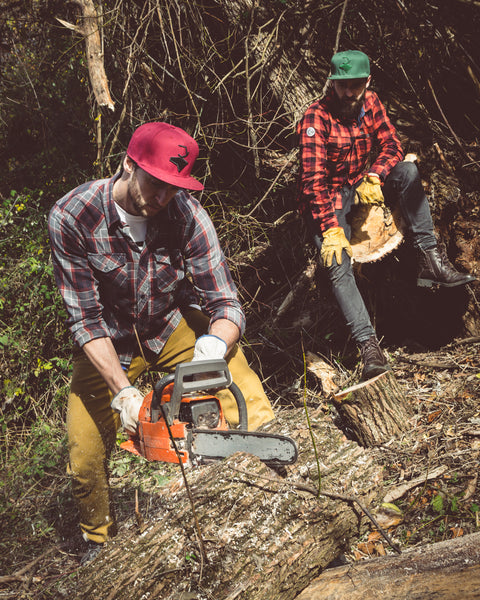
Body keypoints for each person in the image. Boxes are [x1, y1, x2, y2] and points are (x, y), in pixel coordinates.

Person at [48, 122, 275, 563]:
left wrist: (213, 346)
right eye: (156, 185)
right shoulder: (73, 215)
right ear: (129, 165)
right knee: (84, 451)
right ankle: (99, 541)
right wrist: (125, 393)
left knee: (242, 386)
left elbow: (226, 301)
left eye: (174, 188)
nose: (163, 198)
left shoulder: (187, 213)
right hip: (109, 346)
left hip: (170, 325)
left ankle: (268, 473)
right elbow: (86, 321)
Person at [297, 50, 476, 381]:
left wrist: (376, 175)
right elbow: (312, 183)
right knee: (338, 264)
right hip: (329, 197)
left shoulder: (371, 102)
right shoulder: (315, 118)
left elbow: (392, 145)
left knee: (407, 170)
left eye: (355, 85)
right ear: (332, 83)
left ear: (366, 82)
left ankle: (431, 261)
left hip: (362, 184)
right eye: (342, 86)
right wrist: (329, 228)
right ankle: (369, 347)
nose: (349, 93)